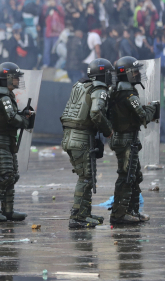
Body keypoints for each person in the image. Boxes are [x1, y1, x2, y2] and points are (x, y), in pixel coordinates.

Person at [61, 58, 114, 228]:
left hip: (70, 136)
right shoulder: (99, 89)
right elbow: (96, 112)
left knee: (87, 176)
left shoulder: (80, 85)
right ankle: (77, 217)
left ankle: (84, 213)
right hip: (82, 137)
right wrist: (108, 131)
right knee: (85, 178)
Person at [108, 56, 160, 224]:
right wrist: (153, 108)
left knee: (134, 175)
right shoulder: (128, 94)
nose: (138, 74)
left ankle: (132, 211)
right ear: (127, 73)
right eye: (135, 71)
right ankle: (119, 214)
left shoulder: (115, 91)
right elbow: (143, 117)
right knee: (126, 176)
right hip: (126, 140)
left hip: (123, 139)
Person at [0, 62, 33, 222]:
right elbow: (11, 117)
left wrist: (21, 114)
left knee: (12, 175)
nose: (17, 80)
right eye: (15, 77)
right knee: (6, 175)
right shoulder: (2, 96)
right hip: (0, 139)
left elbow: (7, 114)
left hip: (5, 139)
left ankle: (8, 210)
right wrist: (24, 120)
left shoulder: (0, 93)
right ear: (6, 78)